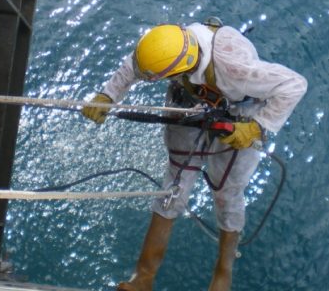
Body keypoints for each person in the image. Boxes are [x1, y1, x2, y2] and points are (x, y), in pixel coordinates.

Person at [81, 18, 307, 291]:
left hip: (239, 115)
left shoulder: (235, 69)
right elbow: (135, 64)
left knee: (226, 193)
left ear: (179, 69)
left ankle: (223, 272)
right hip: (188, 100)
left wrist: (257, 127)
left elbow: (294, 84)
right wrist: (108, 95)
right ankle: (143, 277)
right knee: (173, 187)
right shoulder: (168, 46)